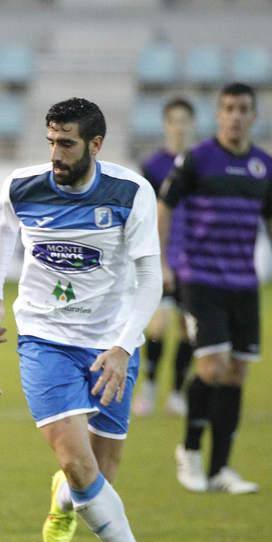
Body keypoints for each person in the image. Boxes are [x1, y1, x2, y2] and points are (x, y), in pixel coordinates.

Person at [0, 98, 165, 542]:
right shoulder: (23, 185)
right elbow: (3, 228)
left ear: (95, 145)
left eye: (67, 143)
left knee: (98, 475)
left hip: (112, 342)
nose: (56, 154)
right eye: (51, 142)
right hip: (45, 338)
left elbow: (151, 278)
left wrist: (123, 347)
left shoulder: (130, 192)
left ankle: (63, 496)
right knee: (81, 466)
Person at [160, 83, 272, 494]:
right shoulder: (198, 159)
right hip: (200, 278)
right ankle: (189, 451)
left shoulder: (264, 166)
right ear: (219, 114)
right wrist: (163, 261)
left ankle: (221, 469)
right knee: (211, 367)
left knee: (236, 374)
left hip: (244, 282)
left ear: (253, 116)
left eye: (243, 109)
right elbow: (164, 206)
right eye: (228, 108)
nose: (235, 116)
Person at [132, 97, 196, 417]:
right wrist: (157, 260)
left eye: (185, 121)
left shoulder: (199, 164)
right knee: (158, 325)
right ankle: (149, 388)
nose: (180, 127)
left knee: (188, 329)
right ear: (166, 124)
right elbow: (148, 214)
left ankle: (176, 393)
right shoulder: (153, 165)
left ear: (192, 124)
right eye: (175, 120)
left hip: (194, 260)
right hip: (162, 257)